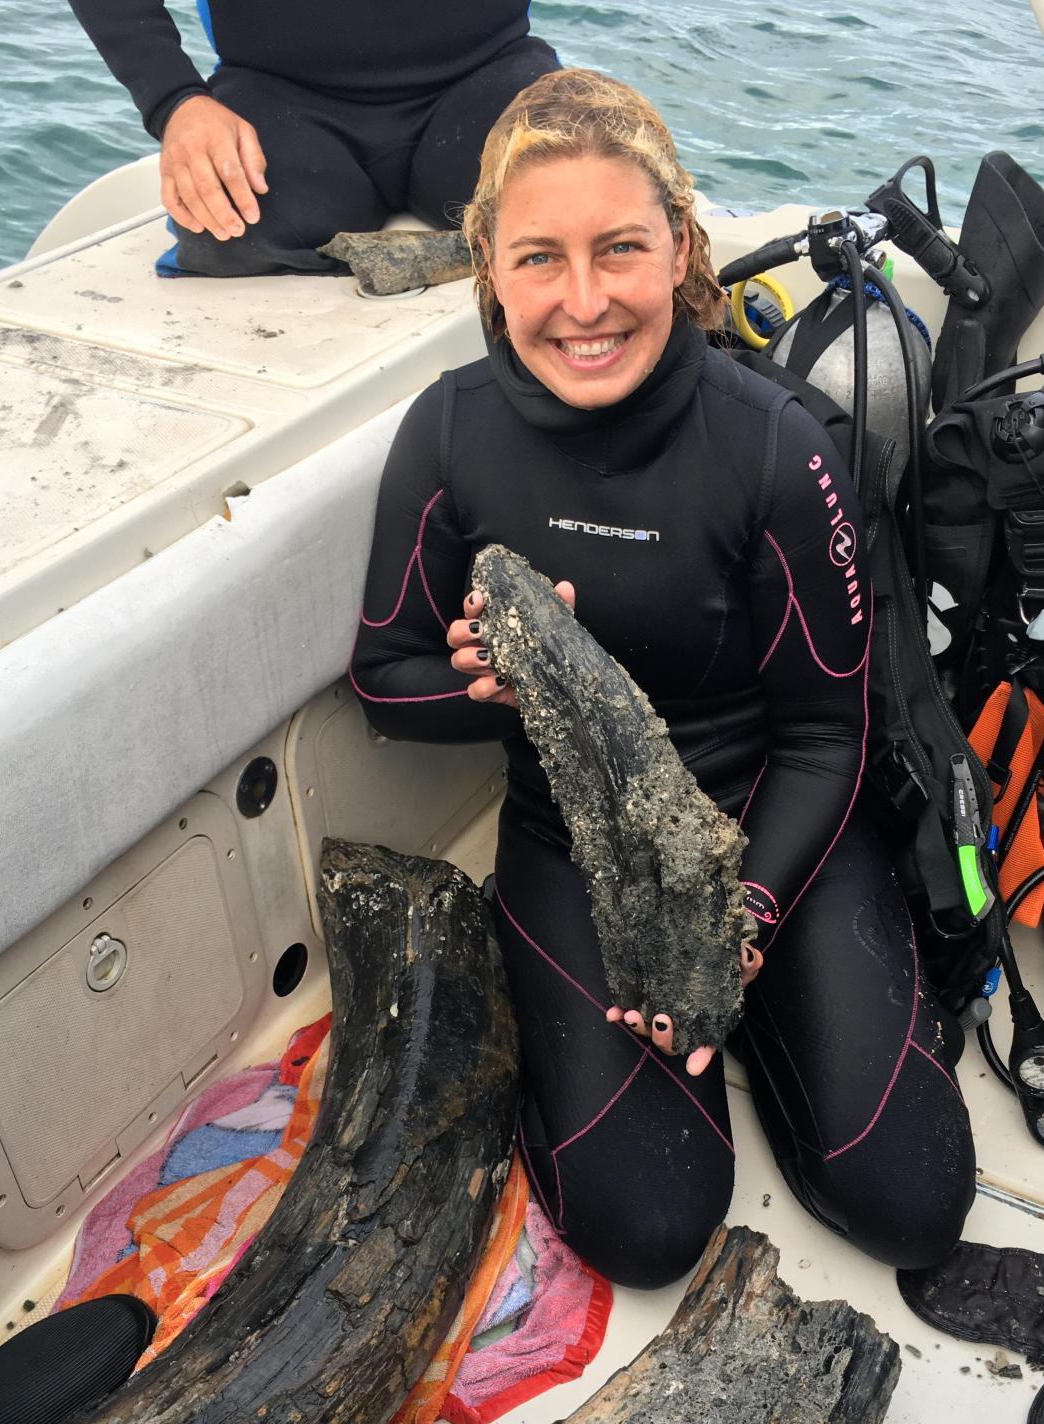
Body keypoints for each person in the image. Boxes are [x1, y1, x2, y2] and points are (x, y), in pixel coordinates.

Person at [351, 68, 976, 1289]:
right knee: (648, 1228)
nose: (582, 302)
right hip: (576, 835)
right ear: (485, 261)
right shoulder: (446, 431)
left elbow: (824, 738)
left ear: (678, 245)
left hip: (775, 822)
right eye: (538, 258)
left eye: (619, 250)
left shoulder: (769, 444)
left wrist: (735, 926)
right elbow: (383, 679)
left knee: (907, 1200)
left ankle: (796, 1015)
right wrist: (502, 684)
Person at [67, 0, 559, 275]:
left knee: (569, 196)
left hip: (487, 77)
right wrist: (177, 103)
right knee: (228, 226)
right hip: (283, 95)